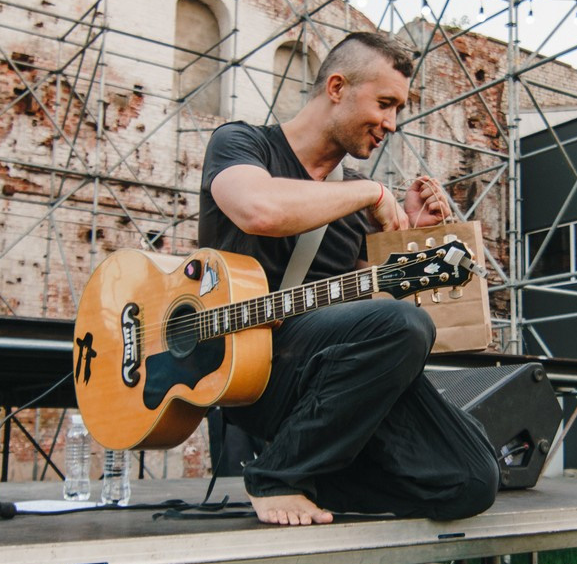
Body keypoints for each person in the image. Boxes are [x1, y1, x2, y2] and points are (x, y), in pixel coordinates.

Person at [198, 29, 500, 527]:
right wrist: (372, 196)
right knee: (401, 326)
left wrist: (407, 254)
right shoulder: (242, 143)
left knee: (470, 479)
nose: (392, 123)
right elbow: (258, 209)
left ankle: (316, 472)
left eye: (398, 108)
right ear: (336, 87)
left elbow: (364, 303)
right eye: (385, 103)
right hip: (246, 367)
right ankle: (277, 475)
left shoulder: (355, 195)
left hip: (329, 385)